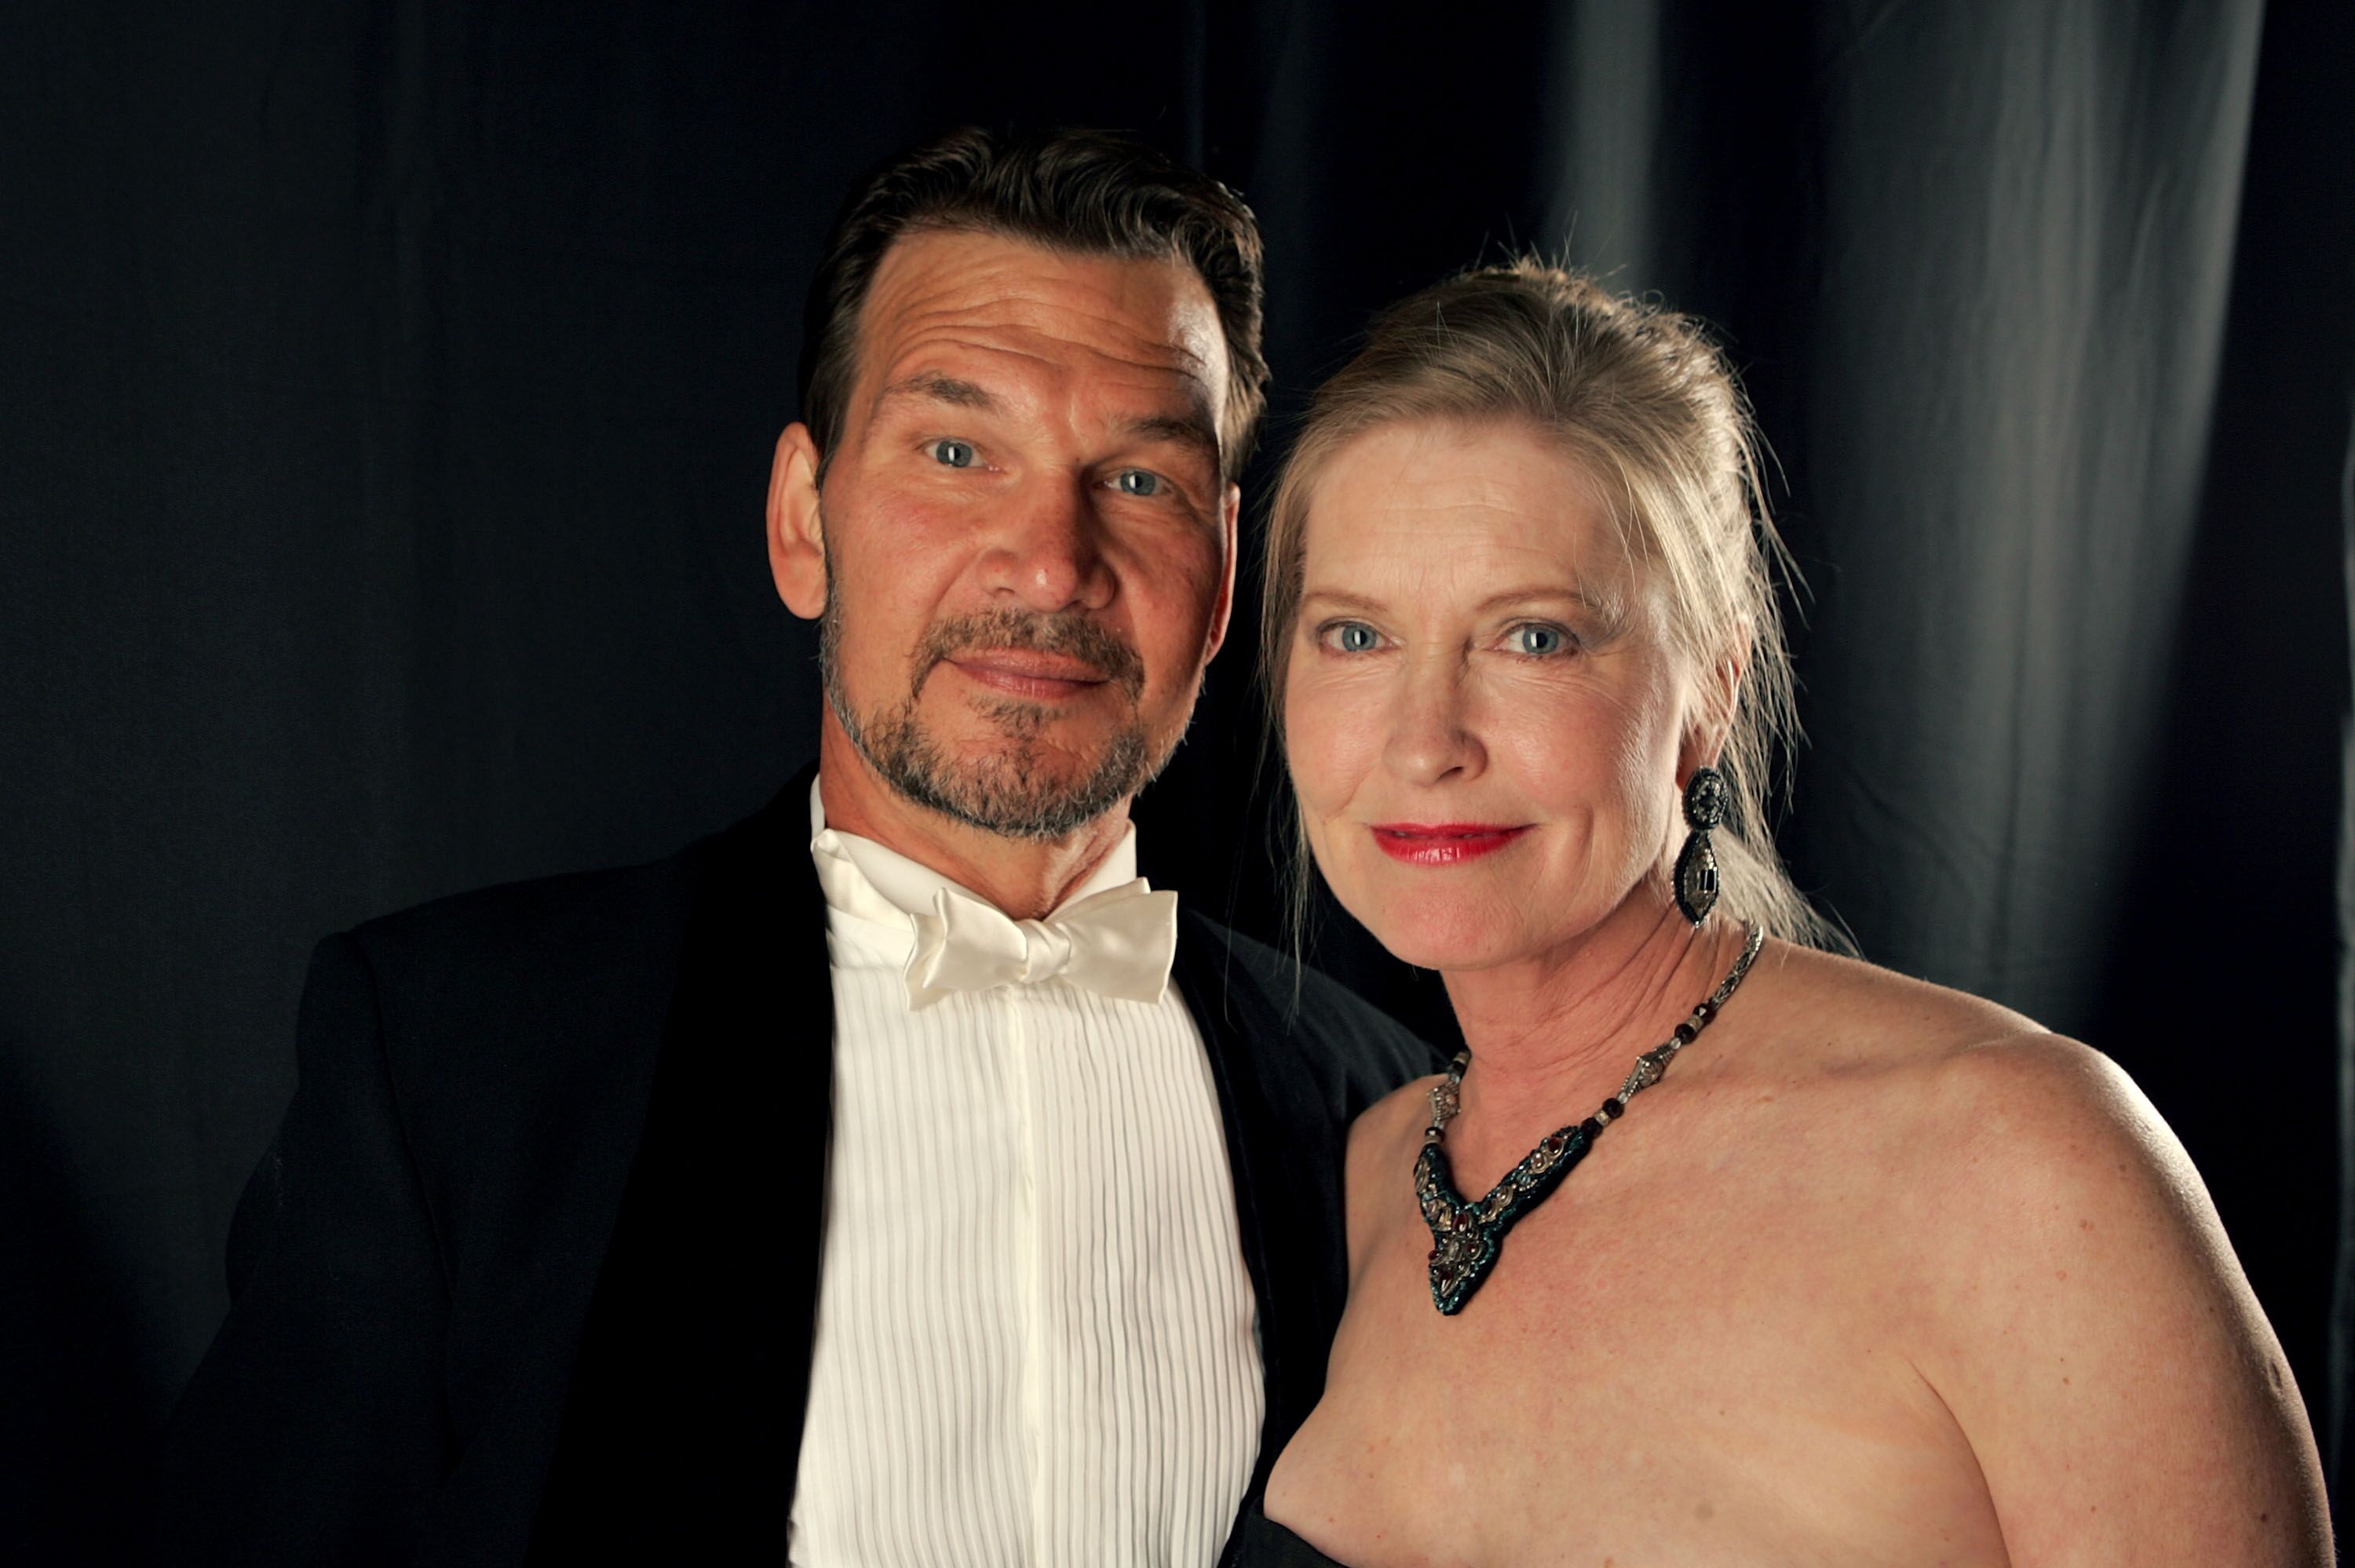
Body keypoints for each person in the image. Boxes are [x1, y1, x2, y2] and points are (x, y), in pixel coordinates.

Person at [152, 126, 1437, 1566]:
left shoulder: (1387, 1120)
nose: (1050, 561)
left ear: (1221, 582)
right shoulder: (459, 1060)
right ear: (800, 522)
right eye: (958, 451)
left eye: (1139, 481)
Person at [1240, 260, 2333, 1565]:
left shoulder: (2020, 1167)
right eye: (1355, 636)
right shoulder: (1377, 1176)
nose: (1425, 742)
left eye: (1532, 637)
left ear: (1709, 686)